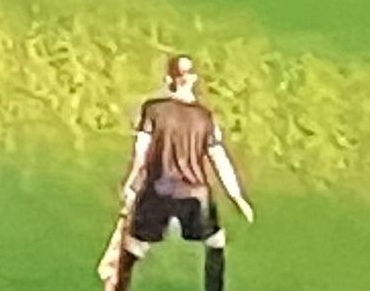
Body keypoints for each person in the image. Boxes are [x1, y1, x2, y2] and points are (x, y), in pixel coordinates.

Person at [100, 54, 255, 291]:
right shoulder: (205, 118)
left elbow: (141, 154)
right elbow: (219, 159)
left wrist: (130, 183)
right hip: (195, 194)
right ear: (194, 79)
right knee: (215, 243)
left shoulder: (153, 110)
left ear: (168, 79)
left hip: (158, 191)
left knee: (131, 248)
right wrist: (237, 197)